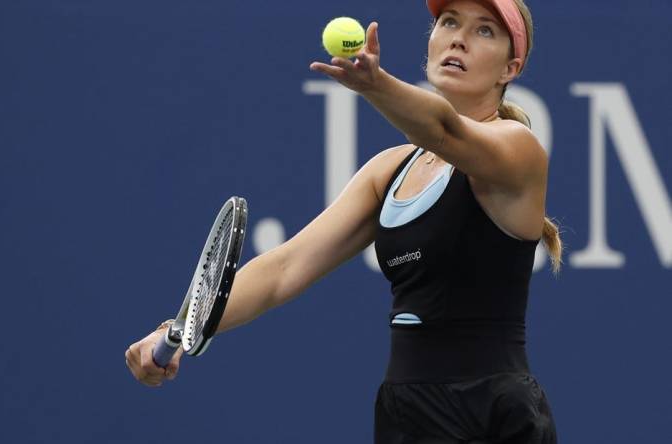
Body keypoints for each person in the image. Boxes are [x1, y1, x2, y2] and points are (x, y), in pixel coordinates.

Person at [126, 0, 560, 442]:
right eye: (448, 22)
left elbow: (443, 130)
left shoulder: (518, 148)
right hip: (406, 412)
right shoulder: (387, 171)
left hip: (491, 415)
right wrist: (179, 327)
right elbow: (283, 269)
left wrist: (375, 84)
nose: (459, 38)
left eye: (484, 31)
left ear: (511, 68)